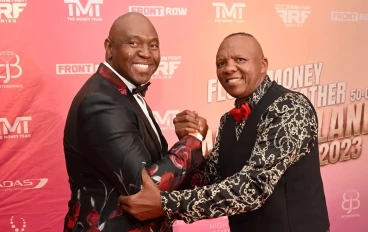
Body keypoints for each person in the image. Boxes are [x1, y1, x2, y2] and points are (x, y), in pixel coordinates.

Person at [119, 32, 330, 232]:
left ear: (263, 65)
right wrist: (190, 142)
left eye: (240, 59)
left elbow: (253, 188)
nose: (229, 68)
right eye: (221, 63)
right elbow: (208, 179)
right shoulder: (228, 121)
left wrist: (166, 204)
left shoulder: (290, 107)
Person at [62, 12, 208, 232]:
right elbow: (146, 190)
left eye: (153, 46)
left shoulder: (123, 94)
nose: (146, 53)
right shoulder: (100, 101)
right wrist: (193, 139)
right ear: (110, 49)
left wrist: (184, 143)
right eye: (134, 43)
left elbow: (153, 169)